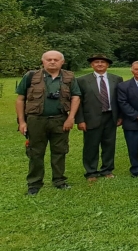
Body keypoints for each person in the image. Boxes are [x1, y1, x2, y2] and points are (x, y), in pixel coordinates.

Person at [15, 50, 81, 195]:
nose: (52, 62)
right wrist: (21, 122)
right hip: (36, 120)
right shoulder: (31, 76)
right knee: (35, 152)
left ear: (62, 62)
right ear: (43, 61)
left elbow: (76, 97)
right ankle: (34, 184)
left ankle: (59, 181)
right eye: (49, 59)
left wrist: (71, 118)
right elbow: (20, 99)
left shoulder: (69, 77)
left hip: (60, 119)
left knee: (60, 151)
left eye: (56, 60)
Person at [76, 54, 123, 182]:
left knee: (109, 144)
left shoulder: (116, 79)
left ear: (107, 65)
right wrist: (80, 120)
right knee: (91, 145)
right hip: (91, 117)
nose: (100, 64)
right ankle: (91, 172)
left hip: (110, 116)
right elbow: (77, 102)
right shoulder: (82, 80)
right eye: (96, 62)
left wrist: (120, 116)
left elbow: (120, 100)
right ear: (92, 65)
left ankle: (107, 170)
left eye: (103, 62)